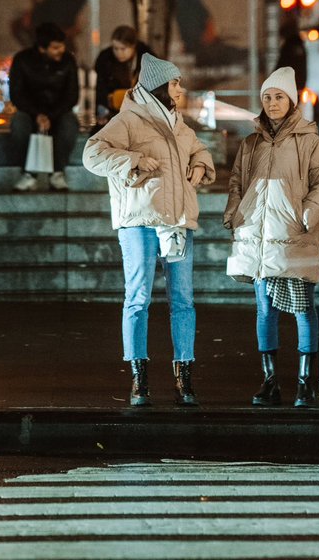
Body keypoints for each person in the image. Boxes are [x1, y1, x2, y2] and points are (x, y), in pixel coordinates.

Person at [83, 53, 215, 408]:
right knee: (137, 298)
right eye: (174, 82)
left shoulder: (177, 123)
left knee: (184, 301)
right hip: (139, 221)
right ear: (159, 85)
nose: (180, 88)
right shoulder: (128, 119)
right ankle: (139, 378)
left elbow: (198, 149)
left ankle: (183, 377)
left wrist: (201, 166)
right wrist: (133, 160)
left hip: (176, 223)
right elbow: (92, 154)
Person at [223, 65, 319, 409]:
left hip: (293, 238)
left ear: (291, 100)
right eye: (267, 97)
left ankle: (305, 383)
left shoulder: (310, 142)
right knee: (264, 312)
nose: (272, 103)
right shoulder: (251, 143)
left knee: (304, 311)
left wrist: (307, 214)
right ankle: (270, 380)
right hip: (257, 240)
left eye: (279, 97)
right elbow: (237, 182)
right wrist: (234, 212)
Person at [10, 22, 80, 192]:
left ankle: (57, 173)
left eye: (62, 46)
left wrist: (51, 115)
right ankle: (28, 174)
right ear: (42, 48)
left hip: (58, 112)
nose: (61, 51)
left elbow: (72, 95)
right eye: (56, 48)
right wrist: (37, 114)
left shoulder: (68, 61)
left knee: (70, 123)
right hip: (30, 112)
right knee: (19, 123)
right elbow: (17, 95)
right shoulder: (22, 60)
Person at [92, 25, 151, 132]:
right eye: (115, 48)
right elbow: (101, 89)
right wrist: (101, 113)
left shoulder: (147, 59)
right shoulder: (106, 60)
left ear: (133, 46)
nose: (119, 53)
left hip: (141, 109)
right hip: (114, 109)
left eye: (123, 49)